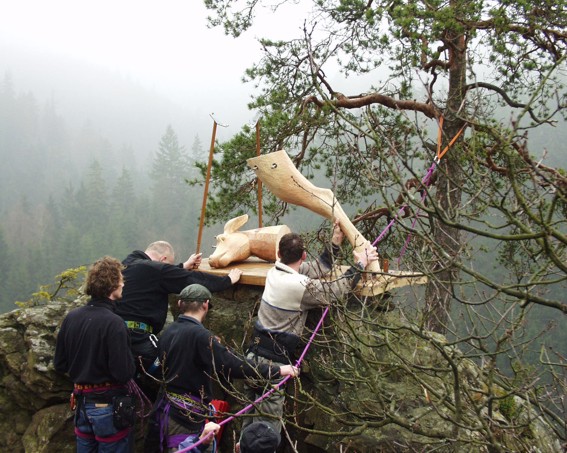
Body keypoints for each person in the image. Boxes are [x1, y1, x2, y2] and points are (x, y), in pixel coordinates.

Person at [242, 221, 379, 436]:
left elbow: (316, 269)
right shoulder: (299, 286)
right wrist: (360, 264)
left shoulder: (275, 272)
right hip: (274, 365)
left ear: (279, 253)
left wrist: (335, 242)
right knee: (265, 434)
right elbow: (335, 290)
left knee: (248, 427)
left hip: (252, 358)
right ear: (303, 255)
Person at [156, 284, 299, 452]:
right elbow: (232, 365)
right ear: (205, 305)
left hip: (169, 409)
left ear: (180, 303)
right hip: (187, 416)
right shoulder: (201, 336)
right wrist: (278, 371)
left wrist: (210, 348)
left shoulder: (169, 331)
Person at [115, 241, 243, 386]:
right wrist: (227, 280)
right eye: (168, 266)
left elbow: (160, 273)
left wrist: (182, 266)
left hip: (116, 336)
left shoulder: (126, 265)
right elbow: (189, 280)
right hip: (139, 340)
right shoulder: (154, 270)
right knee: (174, 369)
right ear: (163, 260)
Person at [54, 256, 136, 453]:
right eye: (120, 279)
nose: (123, 283)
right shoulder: (114, 323)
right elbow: (123, 373)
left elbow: (60, 364)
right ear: (113, 284)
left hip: (81, 404)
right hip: (107, 407)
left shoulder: (71, 318)